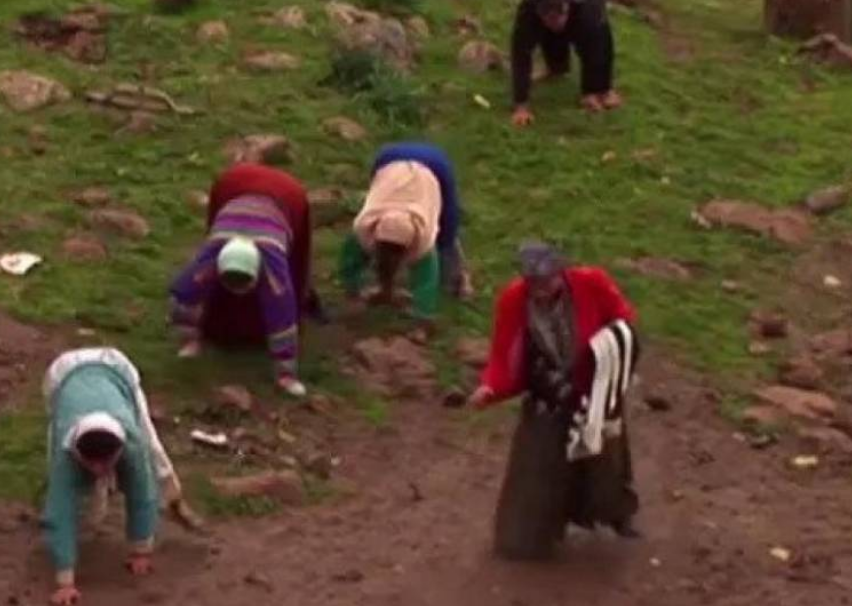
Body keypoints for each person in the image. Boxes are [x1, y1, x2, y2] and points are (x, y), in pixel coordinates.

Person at [468, 242, 640, 560]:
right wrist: (489, 388)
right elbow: (503, 354)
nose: (542, 290)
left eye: (548, 281)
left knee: (605, 460)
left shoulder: (592, 283)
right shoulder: (514, 300)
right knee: (536, 468)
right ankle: (533, 533)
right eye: (535, 283)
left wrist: (607, 365)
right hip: (546, 393)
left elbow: (623, 322)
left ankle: (616, 514)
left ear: (561, 272)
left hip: (594, 391)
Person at [41, 347, 185, 606]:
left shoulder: (132, 442)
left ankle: (173, 491)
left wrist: (140, 551)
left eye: (104, 463)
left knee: (149, 454)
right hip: (63, 376)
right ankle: (87, 512)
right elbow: (59, 511)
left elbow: (142, 493)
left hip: (116, 369)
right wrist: (65, 581)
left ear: (119, 448)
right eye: (90, 463)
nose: (98, 470)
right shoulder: (65, 452)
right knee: (63, 489)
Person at [170, 164, 317, 397]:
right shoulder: (213, 250)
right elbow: (186, 293)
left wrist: (286, 375)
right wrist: (189, 340)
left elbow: (283, 316)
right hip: (234, 183)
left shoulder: (273, 260)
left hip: (287, 193)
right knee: (195, 287)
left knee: (284, 290)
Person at [339, 142, 472, 320]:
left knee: (447, 231)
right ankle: (385, 289)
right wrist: (353, 291)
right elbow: (349, 262)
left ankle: (458, 280)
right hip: (388, 160)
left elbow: (426, 281)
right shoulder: (363, 230)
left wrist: (423, 319)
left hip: (434, 165)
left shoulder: (423, 241)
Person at [509, 0, 622, 127]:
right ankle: (557, 67)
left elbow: (600, 43)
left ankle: (601, 90)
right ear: (539, 13)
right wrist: (521, 106)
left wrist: (593, 90)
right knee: (550, 32)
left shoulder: (582, 6)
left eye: (560, 17)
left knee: (596, 30)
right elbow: (520, 55)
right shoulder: (528, 11)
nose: (557, 23)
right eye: (549, 19)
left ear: (567, 7)